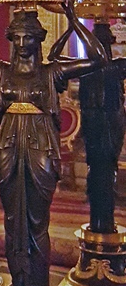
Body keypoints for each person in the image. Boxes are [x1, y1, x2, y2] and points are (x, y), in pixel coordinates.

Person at [0, 0, 106, 286]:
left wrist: (72, 16)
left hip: (40, 149)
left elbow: (98, 58)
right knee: (13, 222)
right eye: (18, 38)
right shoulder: (0, 71)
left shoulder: (53, 73)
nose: (23, 44)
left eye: (29, 38)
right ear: (11, 41)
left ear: (39, 41)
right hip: (9, 147)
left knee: (38, 224)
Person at [51, 21, 126, 233]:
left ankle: (105, 220)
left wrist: (72, 26)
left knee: (106, 169)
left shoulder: (116, 66)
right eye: (97, 43)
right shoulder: (85, 68)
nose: (101, 47)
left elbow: (54, 57)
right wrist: (70, 26)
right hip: (94, 123)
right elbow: (54, 57)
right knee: (97, 170)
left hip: (111, 123)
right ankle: (99, 219)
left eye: (103, 43)